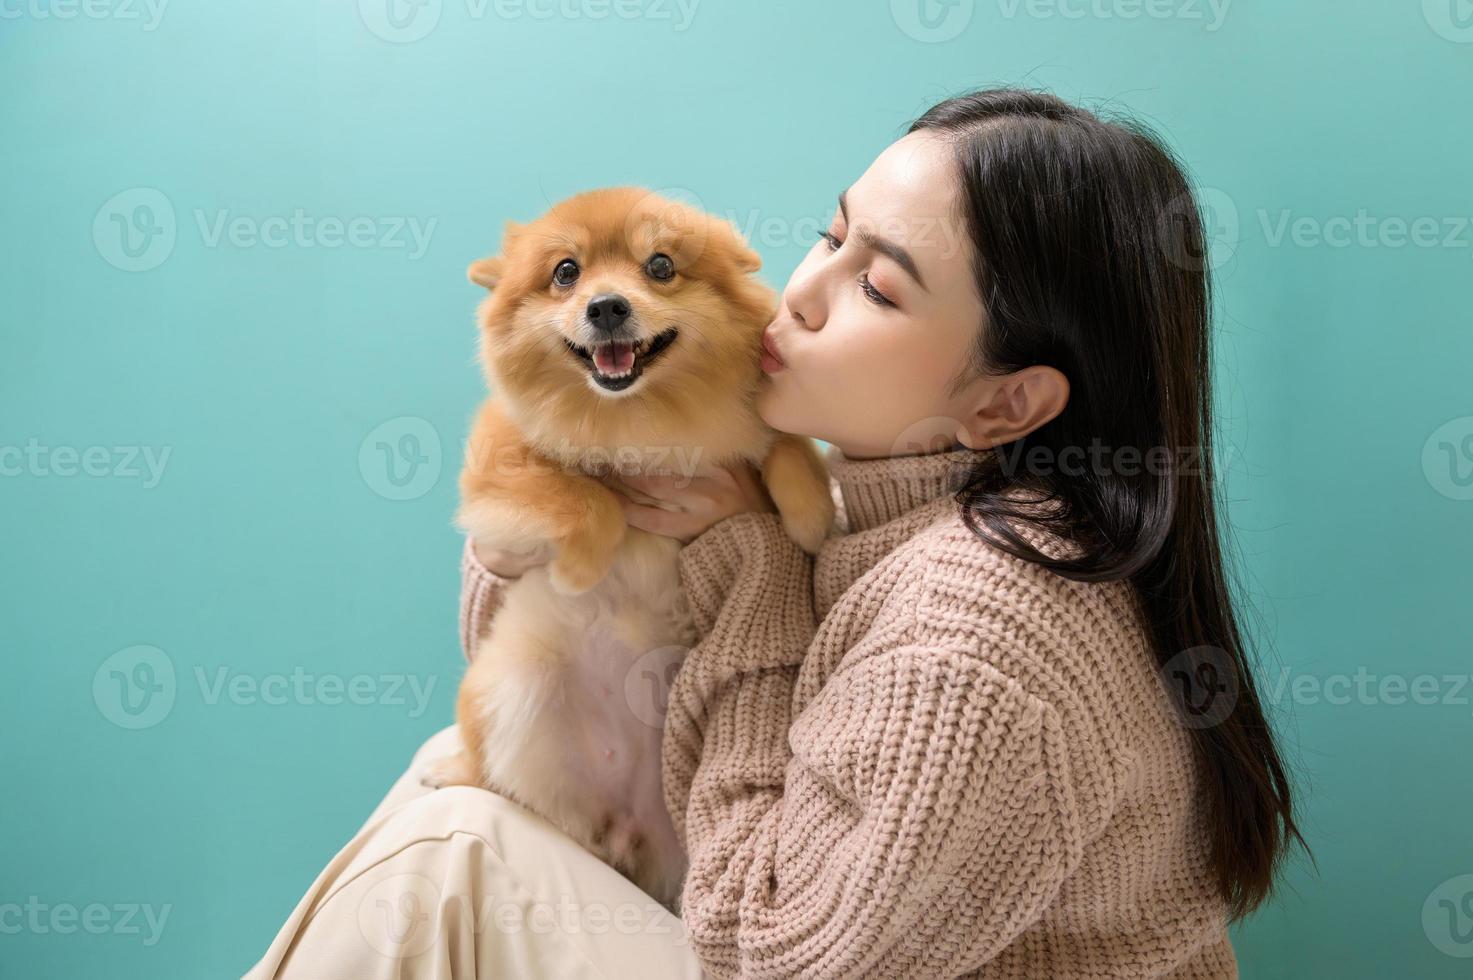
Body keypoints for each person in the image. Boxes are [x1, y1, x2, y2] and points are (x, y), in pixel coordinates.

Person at [249, 87, 1303, 979]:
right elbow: (526, 665)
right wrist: (541, 512)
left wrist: (748, 578)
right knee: (460, 766)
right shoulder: (883, 503)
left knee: (456, 849)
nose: (799, 294)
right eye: (831, 235)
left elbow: (776, 951)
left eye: (876, 287)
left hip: (776, 948)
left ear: (1004, 405)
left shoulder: (978, 637)